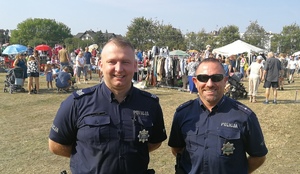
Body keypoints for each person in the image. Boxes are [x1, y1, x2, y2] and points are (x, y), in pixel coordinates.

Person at [48, 37, 167, 174]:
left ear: (135, 66)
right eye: (111, 62)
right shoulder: (77, 102)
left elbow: (154, 142)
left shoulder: (150, 104)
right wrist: (87, 157)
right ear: (101, 64)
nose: (119, 69)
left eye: (125, 62)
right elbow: (56, 145)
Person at [168, 58, 268, 174]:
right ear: (195, 82)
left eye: (216, 78)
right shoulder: (183, 113)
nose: (209, 84)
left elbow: (258, 156)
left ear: (225, 81)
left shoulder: (244, 116)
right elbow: (177, 149)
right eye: (203, 78)